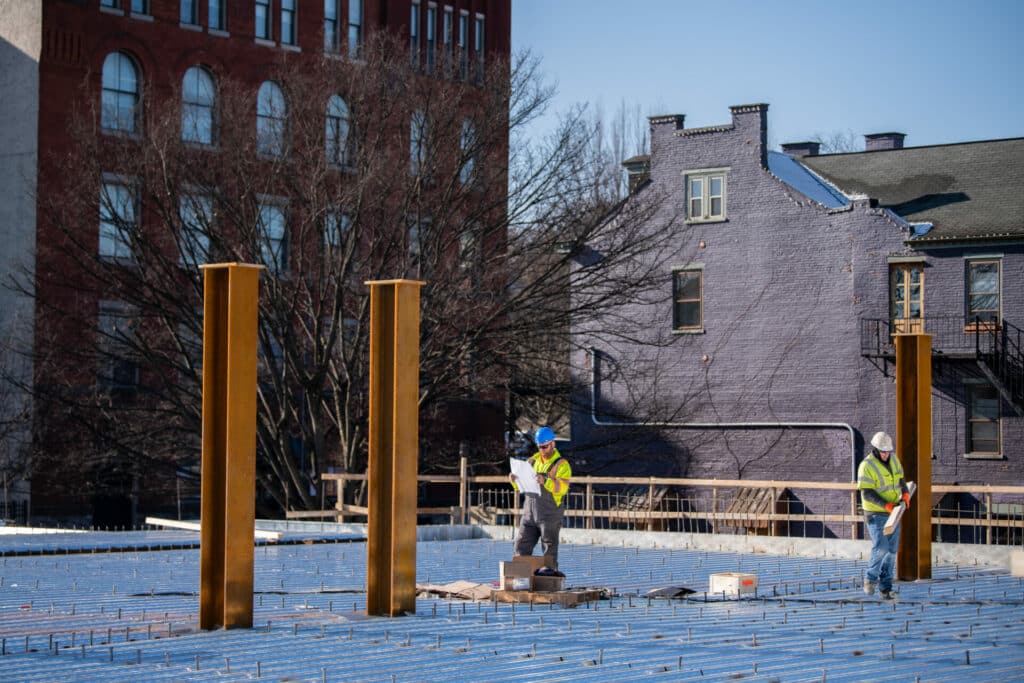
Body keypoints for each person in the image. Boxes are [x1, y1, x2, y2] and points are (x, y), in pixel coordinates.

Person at [857, 431, 911, 600]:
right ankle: (870, 579)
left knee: (892, 551)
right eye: (883, 451)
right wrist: (886, 505)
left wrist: (906, 493)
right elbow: (867, 493)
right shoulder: (867, 465)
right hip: (876, 513)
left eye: (888, 451)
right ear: (875, 449)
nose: (886, 454)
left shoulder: (894, 460)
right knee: (881, 547)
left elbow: (901, 479)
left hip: (894, 512)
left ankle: (886, 588)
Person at [509, 426, 572, 570]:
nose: (542, 450)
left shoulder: (561, 465)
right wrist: (514, 480)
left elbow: (562, 488)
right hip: (529, 513)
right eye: (540, 447)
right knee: (521, 545)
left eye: (545, 446)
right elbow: (520, 487)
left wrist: (546, 481)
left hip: (549, 514)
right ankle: (521, 580)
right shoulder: (531, 461)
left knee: (549, 550)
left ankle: (550, 581)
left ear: (553, 443)